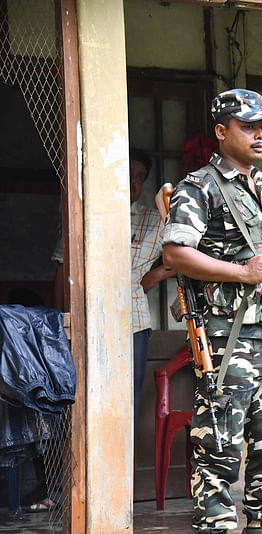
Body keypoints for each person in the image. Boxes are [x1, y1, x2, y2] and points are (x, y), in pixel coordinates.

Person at [162, 89, 262, 534]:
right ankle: (217, 525)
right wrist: (240, 272)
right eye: (249, 127)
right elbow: (174, 254)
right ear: (222, 132)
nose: (259, 136)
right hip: (226, 338)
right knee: (219, 445)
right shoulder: (200, 187)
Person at [51, 147, 172, 423]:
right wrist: (60, 321)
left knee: (129, 399)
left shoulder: (153, 221)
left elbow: (182, 255)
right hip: (86, 320)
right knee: (86, 395)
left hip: (134, 324)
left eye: (139, 177)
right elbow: (62, 269)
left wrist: (151, 278)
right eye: (128, 174)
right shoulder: (87, 215)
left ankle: (125, 466)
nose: (133, 182)